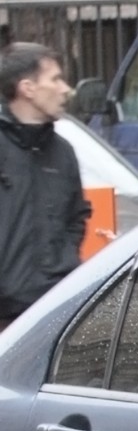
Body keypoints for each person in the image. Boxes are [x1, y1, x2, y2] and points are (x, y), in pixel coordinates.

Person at [0, 43, 90, 329]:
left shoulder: (63, 151)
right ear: (27, 88)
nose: (65, 89)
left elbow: (76, 216)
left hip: (55, 312)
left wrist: (63, 260)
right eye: (55, 79)